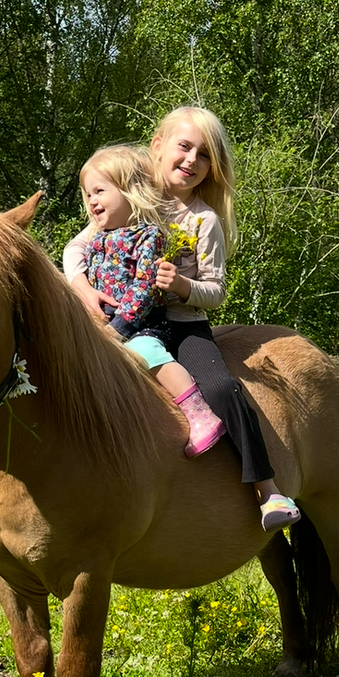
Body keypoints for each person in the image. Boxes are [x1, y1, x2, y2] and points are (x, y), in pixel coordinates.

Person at [147, 106, 301, 532]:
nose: (192, 160)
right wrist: (83, 287)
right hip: (130, 324)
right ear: (158, 145)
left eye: (204, 155)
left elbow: (215, 293)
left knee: (221, 387)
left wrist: (181, 285)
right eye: (184, 146)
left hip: (182, 326)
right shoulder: (134, 201)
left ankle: (268, 490)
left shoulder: (204, 220)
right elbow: (83, 244)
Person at [71, 144, 225, 456]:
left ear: (129, 191)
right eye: (88, 195)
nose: (92, 201)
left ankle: (199, 412)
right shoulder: (97, 239)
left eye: (99, 191)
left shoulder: (148, 236)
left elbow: (146, 288)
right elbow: (81, 267)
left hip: (141, 327)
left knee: (146, 352)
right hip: (104, 328)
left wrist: (120, 326)